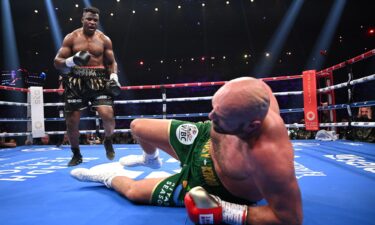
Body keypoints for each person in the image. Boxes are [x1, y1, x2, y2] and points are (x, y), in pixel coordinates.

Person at [71, 77, 303, 225]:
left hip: (211, 187)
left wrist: (224, 211)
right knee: (137, 126)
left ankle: (105, 178)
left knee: (133, 192)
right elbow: (256, 88)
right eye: (214, 110)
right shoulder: (254, 94)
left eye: (221, 118)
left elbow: (289, 219)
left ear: (252, 125)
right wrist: (221, 119)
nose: (211, 118)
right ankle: (150, 160)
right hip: (200, 141)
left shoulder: (268, 156)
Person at [54, 6, 121, 166]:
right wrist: (72, 60)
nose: (92, 22)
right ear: (82, 20)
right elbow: (57, 62)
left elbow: (111, 62)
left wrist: (113, 76)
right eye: (89, 19)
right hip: (76, 80)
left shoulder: (104, 39)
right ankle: (76, 154)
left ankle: (108, 139)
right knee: (72, 121)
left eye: (95, 20)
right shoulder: (71, 38)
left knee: (107, 114)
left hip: (99, 80)